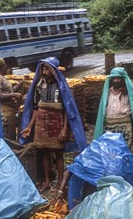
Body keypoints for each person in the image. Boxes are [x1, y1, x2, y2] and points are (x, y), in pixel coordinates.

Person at [20, 57, 87, 191]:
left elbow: (68, 110)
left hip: (57, 120)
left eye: (47, 69)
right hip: (41, 121)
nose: (44, 71)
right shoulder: (39, 85)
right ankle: (47, 180)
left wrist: (64, 129)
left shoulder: (62, 86)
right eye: (43, 68)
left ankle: (61, 181)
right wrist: (29, 126)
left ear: (53, 70)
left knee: (58, 153)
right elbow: (35, 108)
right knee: (44, 152)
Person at [56, 131, 133, 208]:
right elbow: (72, 169)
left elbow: (71, 169)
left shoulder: (121, 161)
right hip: (96, 194)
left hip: (111, 198)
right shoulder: (93, 156)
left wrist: (61, 190)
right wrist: (61, 190)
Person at [93, 67, 133, 171]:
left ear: (123, 79)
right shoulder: (107, 92)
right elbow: (103, 108)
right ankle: (112, 174)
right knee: (110, 152)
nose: (116, 80)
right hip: (109, 126)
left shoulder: (130, 93)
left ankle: (126, 174)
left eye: (119, 78)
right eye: (114, 78)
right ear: (111, 79)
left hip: (125, 126)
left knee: (125, 151)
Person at [0, 57, 22, 140]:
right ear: (3, 67)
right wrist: (14, 95)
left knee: (11, 134)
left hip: (10, 112)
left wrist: (19, 85)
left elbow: (8, 91)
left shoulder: (1, 77)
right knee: (8, 138)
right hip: (5, 113)